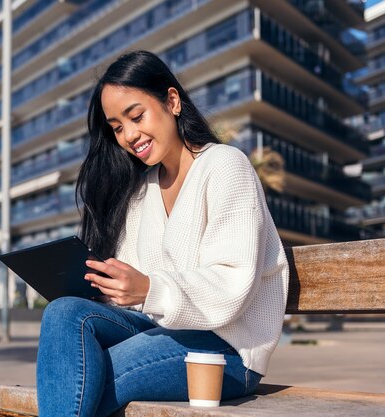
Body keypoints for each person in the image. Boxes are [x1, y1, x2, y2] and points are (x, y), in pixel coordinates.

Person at [35, 50, 289, 417]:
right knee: (63, 313)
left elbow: (233, 282)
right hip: (158, 335)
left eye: (136, 116)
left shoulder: (225, 166)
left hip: (226, 351)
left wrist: (150, 288)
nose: (129, 135)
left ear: (172, 101)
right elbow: (134, 293)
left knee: (81, 380)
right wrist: (101, 285)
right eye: (117, 127)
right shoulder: (141, 191)